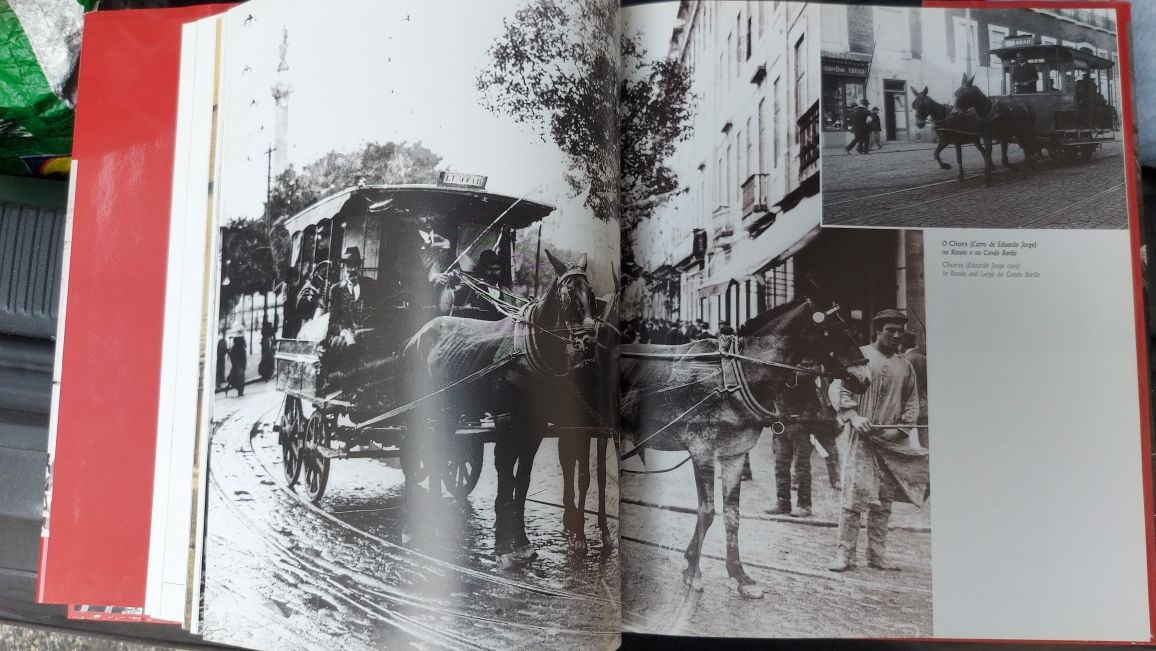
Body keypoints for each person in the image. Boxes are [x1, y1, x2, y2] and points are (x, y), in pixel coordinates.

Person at [827, 309, 921, 572]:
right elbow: (837, 387)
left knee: (884, 500)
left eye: (899, 330)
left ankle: (877, 555)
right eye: (889, 329)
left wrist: (901, 430)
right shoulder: (860, 356)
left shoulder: (905, 365)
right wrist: (853, 416)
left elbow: (912, 403)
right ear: (877, 331)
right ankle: (844, 555)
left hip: (891, 443)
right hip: (860, 439)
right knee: (853, 498)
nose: (894, 335)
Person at [902, 332, 929, 449]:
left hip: (912, 406)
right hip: (926, 404)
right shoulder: (925, 358)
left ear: (901, 345)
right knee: (925, 440)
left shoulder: (906, 360)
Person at [227, 330, 247, 397]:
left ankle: (235, 389)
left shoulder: (235, 347)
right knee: (240, 378)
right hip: (240, 365)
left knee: (236, 377)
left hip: (237, 365)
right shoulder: (241, 346)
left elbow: (232, 356)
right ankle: (240, 391)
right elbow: (243, 358)